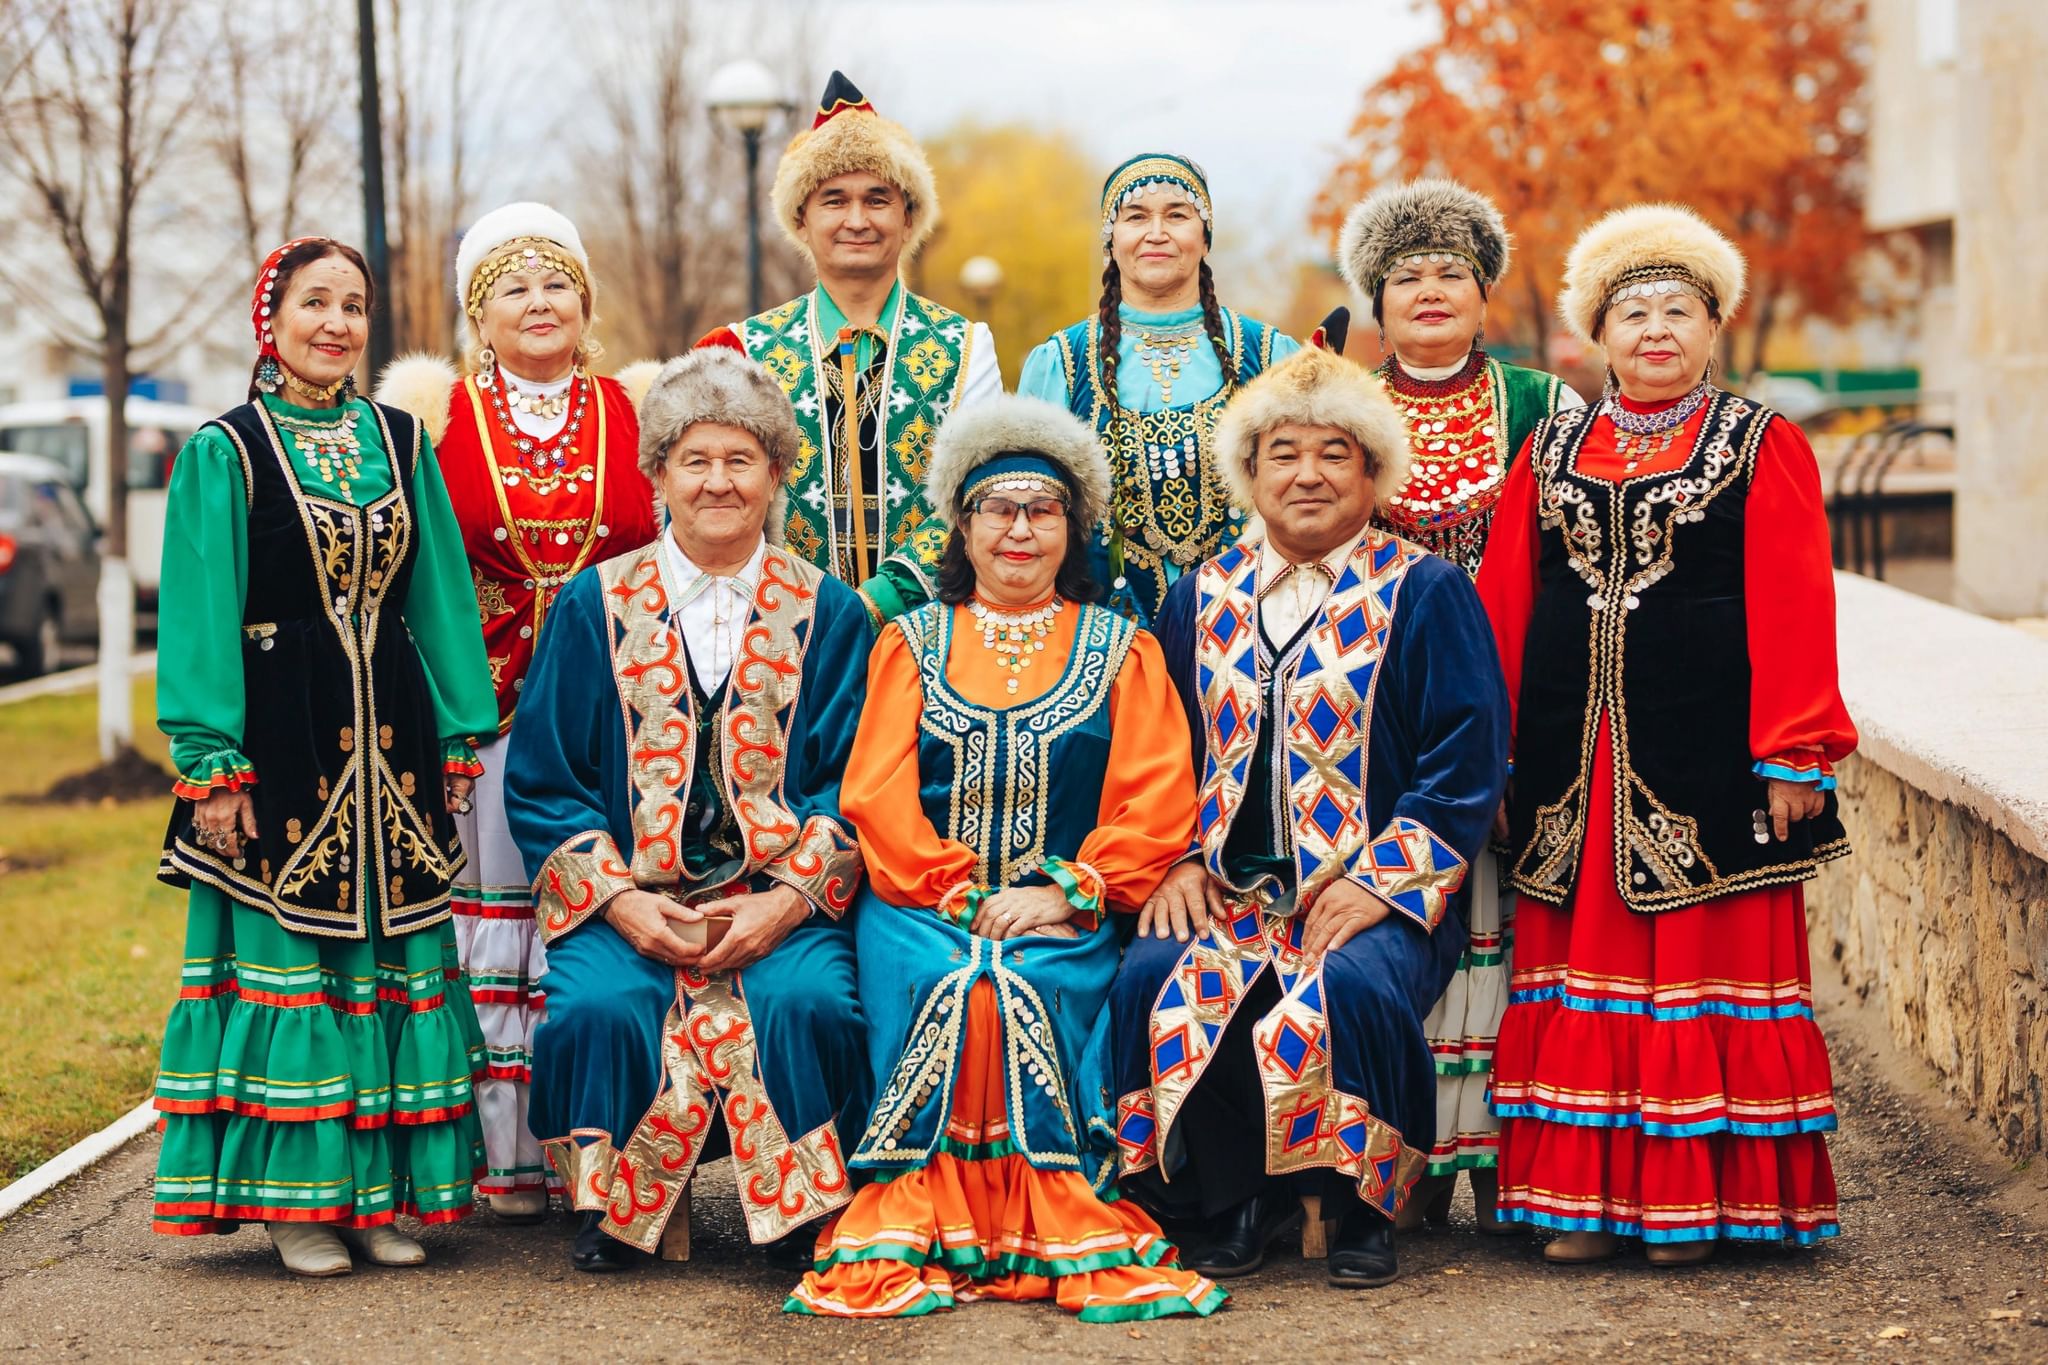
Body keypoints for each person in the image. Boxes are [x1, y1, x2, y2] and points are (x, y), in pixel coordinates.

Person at [787, 395, 1224, 1322]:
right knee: (966, 980)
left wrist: (1067, 890)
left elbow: (1156, 799)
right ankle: (931, 1217)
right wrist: (954, 892)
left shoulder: (1123, 649)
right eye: (999, 508)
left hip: (1067, 914)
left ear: (1074, 527)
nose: (1021, 529)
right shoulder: (910, 641)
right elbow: (877, 794)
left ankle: (1038, 1218)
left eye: (1045, 510)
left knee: (1007, 982)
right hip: (917, 907)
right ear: (963, 523)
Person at [1475, 203, 1856, 1266]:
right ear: (1596, 335)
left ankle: (1695, 1207)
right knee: (1579, 967)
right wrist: (1495, 752)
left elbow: (1792, 601)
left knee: (1694, 963)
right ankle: (1579, 1205)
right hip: (1569, 770)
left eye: (1677, 310)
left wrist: (1793, 749)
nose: (1654, 330)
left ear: (1711, 326)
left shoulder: (1756, 443)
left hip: (1707, 762)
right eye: (1631, 311)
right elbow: (1509, 600)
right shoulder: (1547, 447)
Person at [1109, 344, 1509, 1290]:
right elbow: (1156, 750)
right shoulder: (1196, 596)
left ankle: (1364, 1204)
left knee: (1354, 985)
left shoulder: (1425, 590)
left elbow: (1466, 757)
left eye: (1336, 452)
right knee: (1160, 972)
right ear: (1250, 471)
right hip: (1225, 885)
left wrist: (1382, 884)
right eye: (1284, 452)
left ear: (1374, 471)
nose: (1309, 474)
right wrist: (1169, 863)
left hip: (1371, 887)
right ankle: (1223, 1198)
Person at [150, 238, 498, 1276]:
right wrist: (209, 757)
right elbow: (200, 606)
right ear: (273, 318)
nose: (335, 324)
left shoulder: (399, 439)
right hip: (280, 741)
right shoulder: (227, 448)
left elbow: (435, 593)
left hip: (391, 737)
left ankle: (375, 1200)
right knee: (296, 966)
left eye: (353, 305)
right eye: (314, 303)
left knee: (389, 967)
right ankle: (299, 1206)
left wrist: (454, 727)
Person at [503, 348, 873, 1274]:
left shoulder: (831, 613)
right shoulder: (594, 604)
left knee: (812, 1001)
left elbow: (853, 784)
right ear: (657, 471)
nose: (717, 482)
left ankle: (803, 1207)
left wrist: (784, 901)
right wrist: (623, 901)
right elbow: (546, 779)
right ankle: (616, 1210)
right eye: (694, 460)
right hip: (632, 899)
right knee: (599, 1004)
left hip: (776, 904)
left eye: (740, 460)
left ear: (777, 473)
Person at [376, 201, 660, 1224]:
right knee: (495, 936)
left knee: (592, 927)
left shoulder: (641, 411)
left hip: (620, 719)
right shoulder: (432, 416)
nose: (538, 304)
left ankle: (598, 1153)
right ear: (475, 314)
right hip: (481, 714)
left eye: (556, 284)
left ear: (585, 302)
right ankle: (497, 1165)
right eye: (512, 288)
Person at [1335, 177, 1580, 1230]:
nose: (1428, 291)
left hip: (1526, 691)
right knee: (1410, 915)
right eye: (1404, 278)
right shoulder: (1338, 406)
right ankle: (1416, 1161)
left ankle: (1517, 1166)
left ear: (1484, 294)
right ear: (1373, 305)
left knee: (1522, 931)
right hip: (1382, 707)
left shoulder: (1541, 404)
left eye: (1450, 274)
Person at [698, 71, 999, 626]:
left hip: (933, 638)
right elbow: (717, 500)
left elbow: (978, 491)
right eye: (833, 200)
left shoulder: (966, 346)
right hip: (773, 636)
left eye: (877, 199)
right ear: (801, 219)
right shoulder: (741, 349)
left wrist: (879, 603)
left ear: (908, 218)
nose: (857, 220)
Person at [1018, 153, 1297, 626]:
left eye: (1177, 215)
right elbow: (1027, 510)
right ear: (1111, 241)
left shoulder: (1270, 356)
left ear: (1205, 238)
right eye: (1136, 217)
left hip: (1253, 631)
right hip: (1100, 636)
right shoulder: (1061, 363)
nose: (1156, 233)